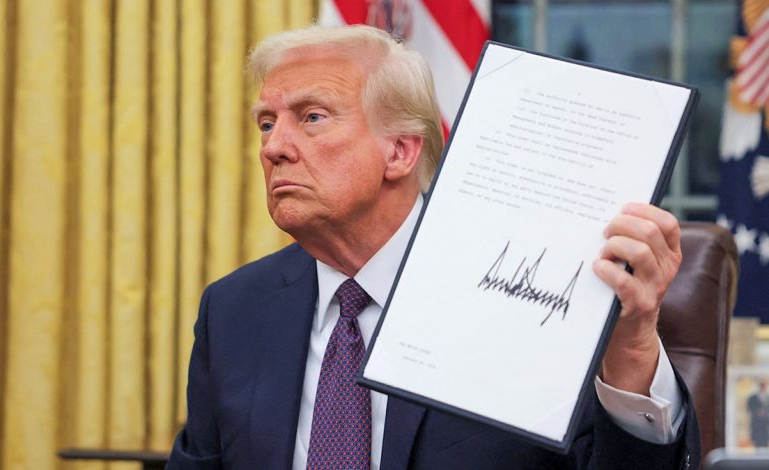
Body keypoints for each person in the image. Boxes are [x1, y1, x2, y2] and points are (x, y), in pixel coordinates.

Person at [167, 25, 699, 469]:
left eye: (312, 117)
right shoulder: (234, 309)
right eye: (266, 123)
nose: (274, 148)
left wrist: (629, 349)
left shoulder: (529, 283)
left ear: (399, 151)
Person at [748, 381, 769, 448]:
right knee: (757, 442)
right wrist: (757, 412)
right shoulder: (753, 397)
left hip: (765, 423)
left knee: (765, 440)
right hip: (756, 423)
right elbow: (749, 407)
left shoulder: (767, 397)